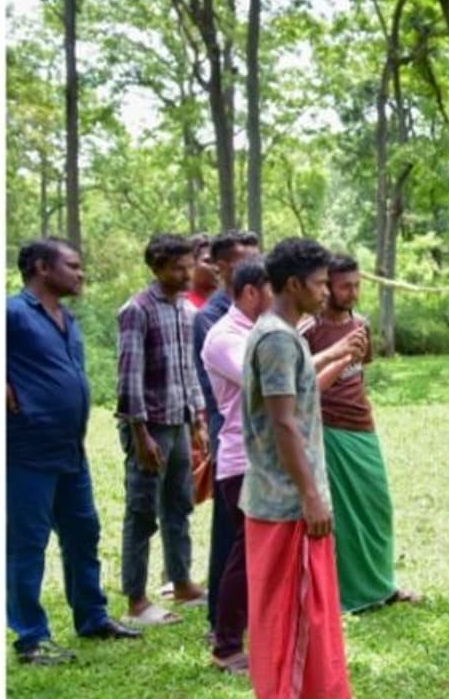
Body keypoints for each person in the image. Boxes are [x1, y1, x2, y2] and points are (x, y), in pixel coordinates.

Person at [7, 238, 142, 665]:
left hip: (71, 450)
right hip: (26, 450)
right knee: (25, 545)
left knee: (84, 533)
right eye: (72, 265)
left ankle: (92, 616)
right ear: (43, 268)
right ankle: (30, 638)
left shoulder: (67, 317)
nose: (81, 273)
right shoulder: (12, 312)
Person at [240, 238, 350, 698]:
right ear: (293, 284)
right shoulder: (279, 340)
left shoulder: (281, 333)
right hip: (287, 504)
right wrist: (310, 495)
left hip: (280, 498)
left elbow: (296, 409)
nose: (327, 292)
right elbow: (283, 423)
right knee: (297, 619)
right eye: (321, 283)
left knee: (300, 617)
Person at [302, 254, 417, 612]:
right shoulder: (310, 330)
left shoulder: (361, 325)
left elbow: (360, 373)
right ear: (328, 287)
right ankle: (349, 594)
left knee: (375, 505)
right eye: (343, 286)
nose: (352, 293)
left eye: (356, 285)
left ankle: (382, 584)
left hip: (361, 426)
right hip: (329, 428)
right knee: (345, 515)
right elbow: (302, 385)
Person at [116, 233, 209, 626]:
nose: (187, 274)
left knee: (179, 505)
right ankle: (136, 601)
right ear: (156, 269)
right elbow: (129, 377)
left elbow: (189, 371)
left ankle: (182, 581)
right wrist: (140, 436)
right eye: (178, 268)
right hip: (149, 426)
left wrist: (198, 421)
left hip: (179, 422)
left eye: (190, 266)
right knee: (142, 512)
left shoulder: (185, 310)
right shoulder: (137, 310)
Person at [200, 256, 272, 674]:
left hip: (263, 459)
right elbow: (265, 381)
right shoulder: (225, 336)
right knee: (244, 556)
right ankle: (226, 646)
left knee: (259, 554)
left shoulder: (259, 331)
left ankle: (254, 637)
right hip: (241, 460)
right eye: (271, 290)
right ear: (249, 293)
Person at [191, 229, 261, 636]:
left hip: (255, 435)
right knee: (231, 538)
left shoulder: (259, 315)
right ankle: (221, 620)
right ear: (221, 269)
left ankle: (241, 617)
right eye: (241, 263)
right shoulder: (212, 319)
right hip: (230, 433)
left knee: (244, 537)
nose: (251, 269)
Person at [187, 232, 218, 309]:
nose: (216, 268)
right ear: (191, 264)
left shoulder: (231, 301)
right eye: (208, 261)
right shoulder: (182, 305)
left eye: (218, 261)